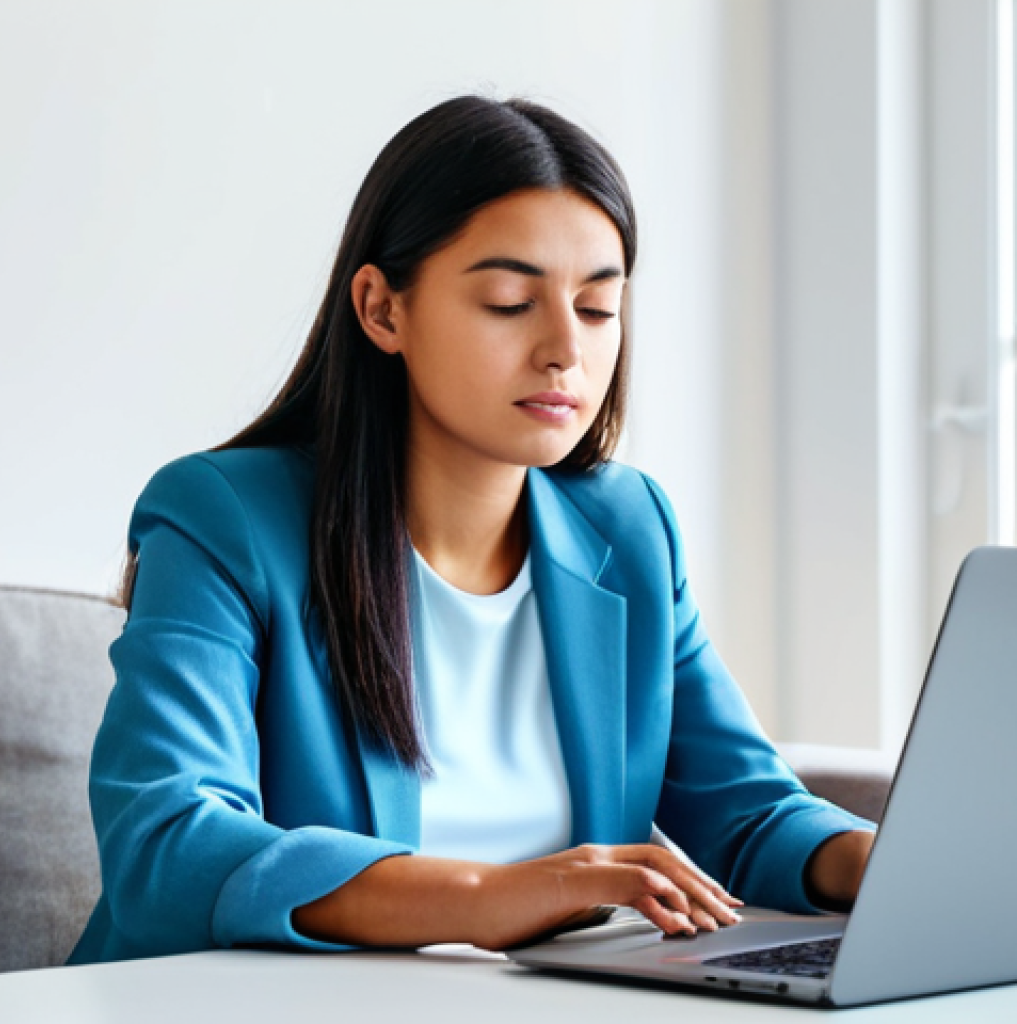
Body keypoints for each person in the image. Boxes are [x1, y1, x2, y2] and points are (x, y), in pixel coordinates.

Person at [69, 95, 875, 965]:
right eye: (509, 301)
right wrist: (487, 897)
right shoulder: (226, 517)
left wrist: (889, 863)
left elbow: (747, 811)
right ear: (382, 310)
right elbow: (169, 844)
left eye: (597, 308)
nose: (565, 349)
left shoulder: (628, 527)